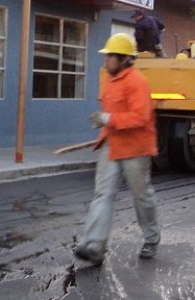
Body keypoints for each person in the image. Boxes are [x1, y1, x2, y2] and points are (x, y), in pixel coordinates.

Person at [74, 33, 161, 265]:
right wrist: (104, 125)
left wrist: (108, 118)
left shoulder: (137, 82)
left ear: (123, 59)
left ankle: (151, 238)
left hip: (136, 148)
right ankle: (94, 246)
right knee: (102, 195)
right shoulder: (109, 80)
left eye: (110, 56)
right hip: (111, 145)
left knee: (141, 196)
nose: (105, 60)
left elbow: (140, 117)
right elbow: (111, 114)